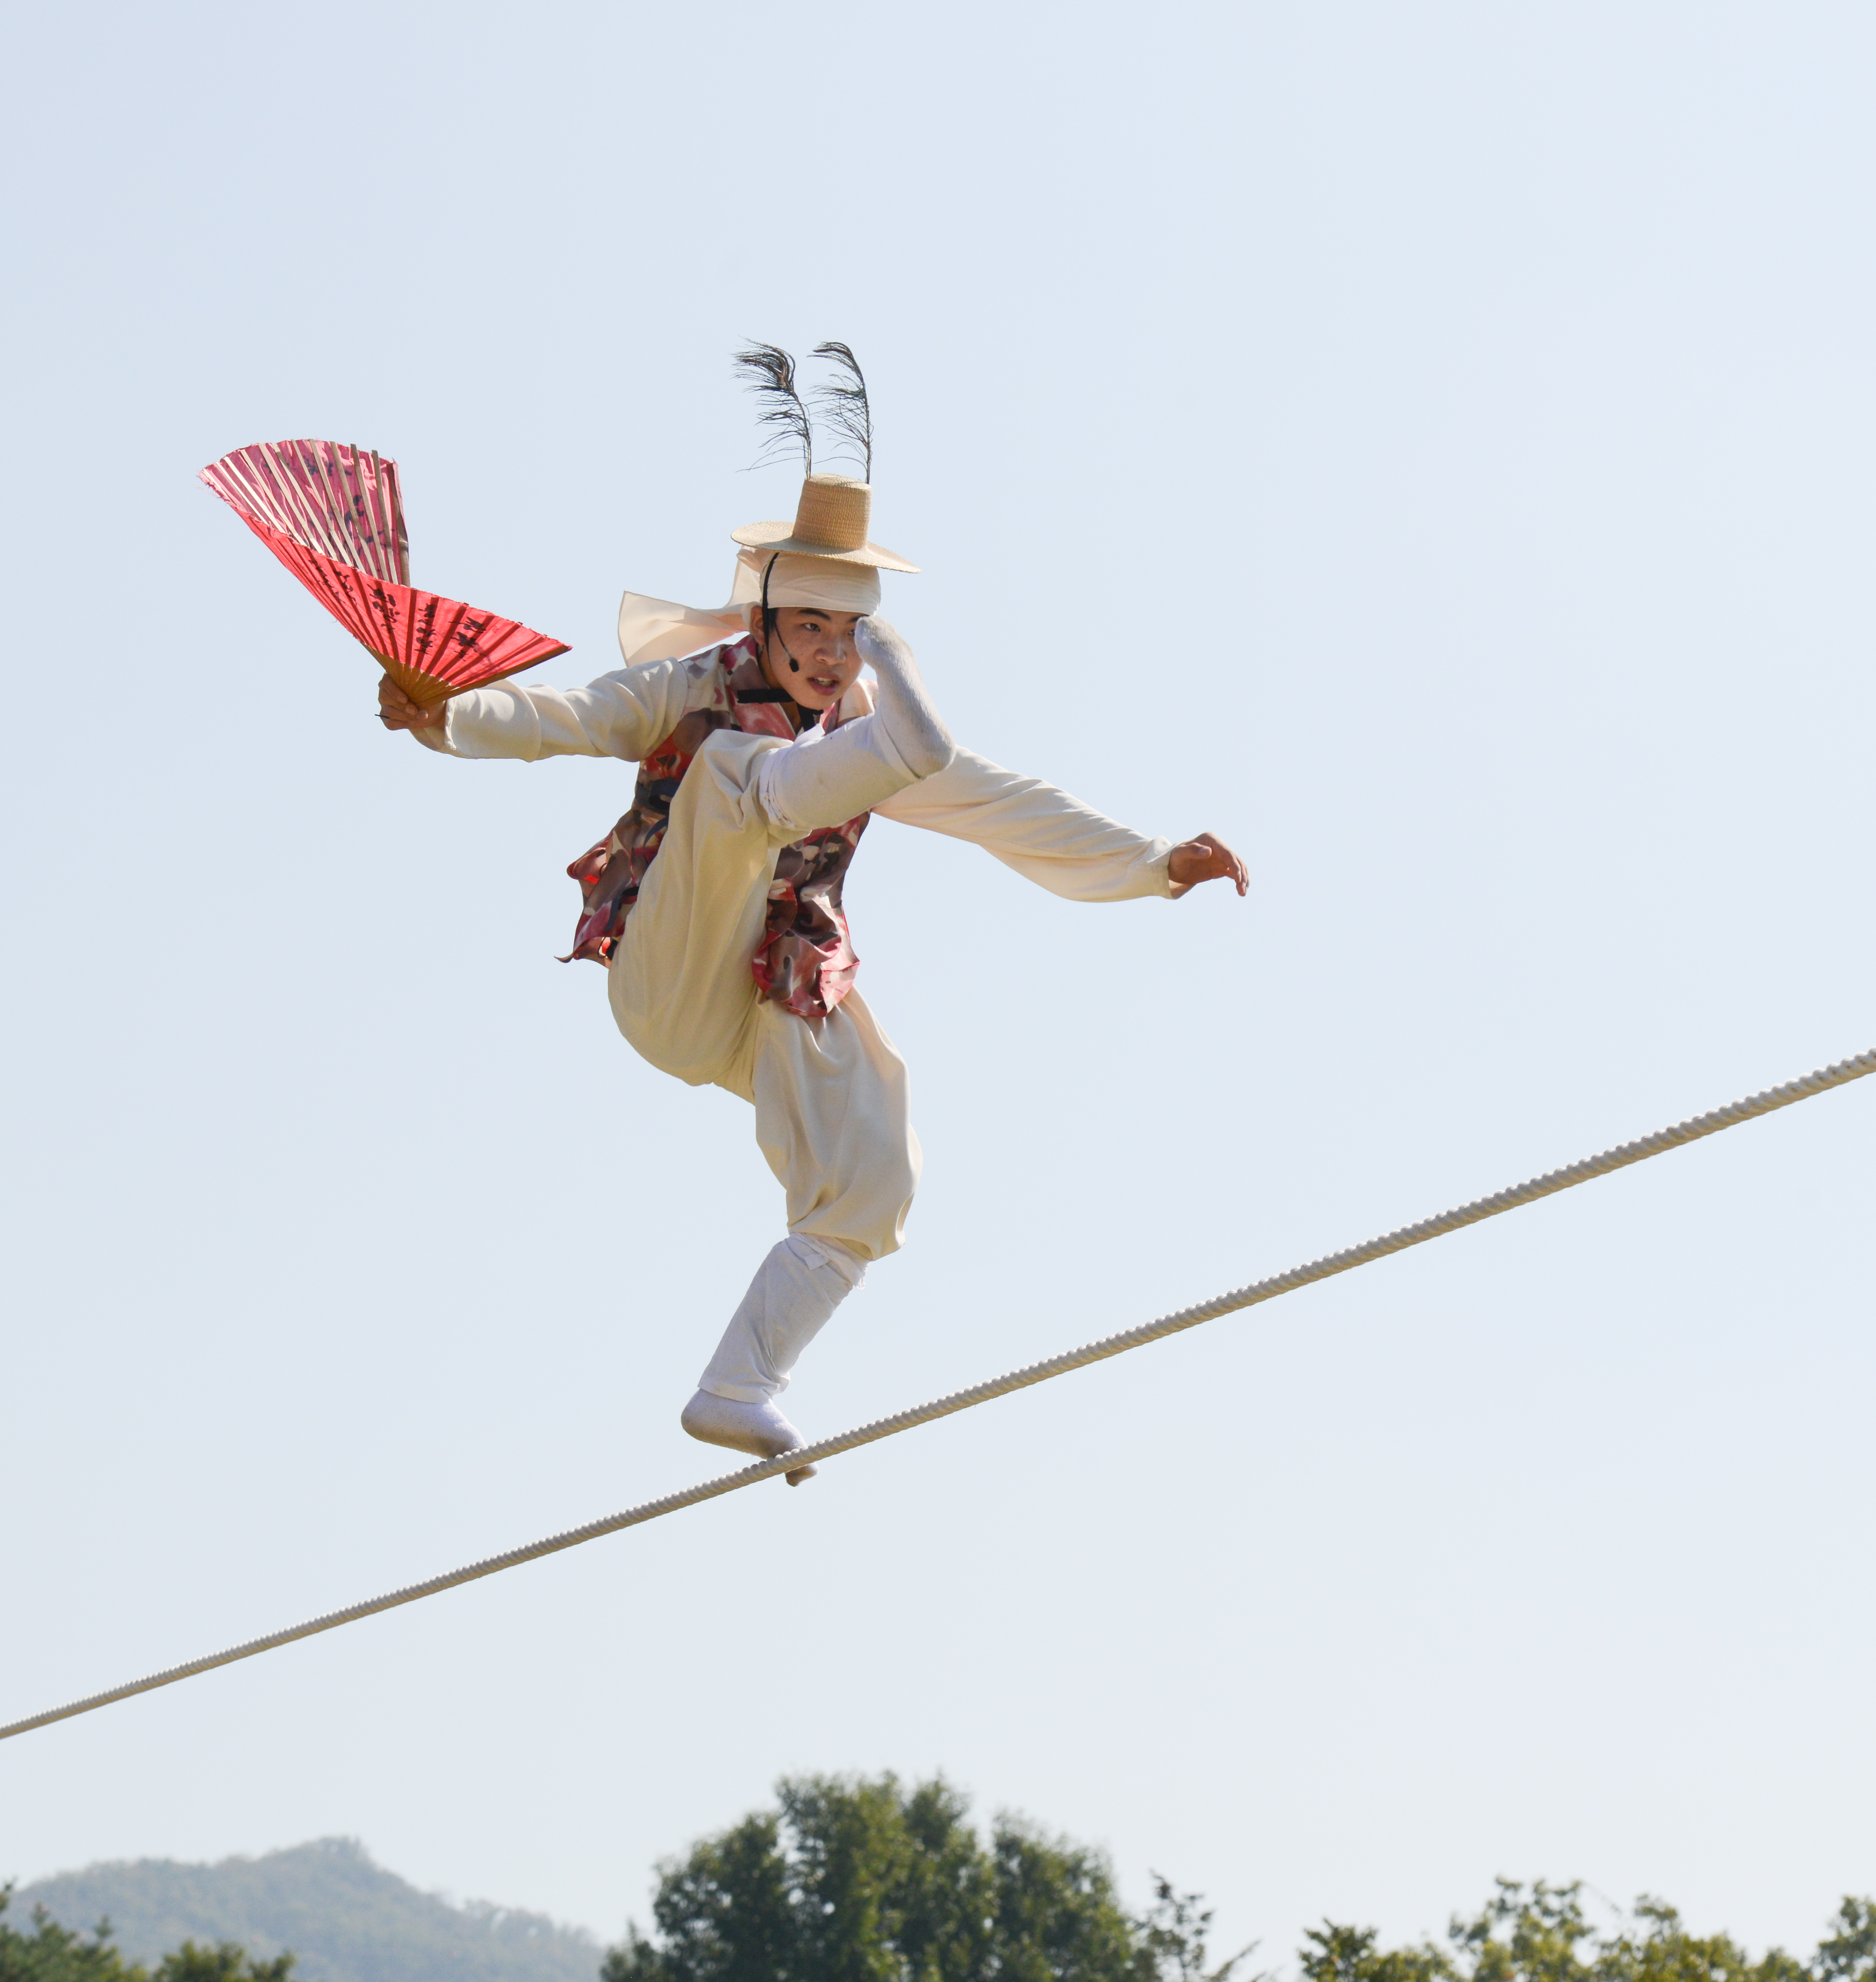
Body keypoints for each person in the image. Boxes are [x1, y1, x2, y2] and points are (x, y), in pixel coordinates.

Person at [378, 349, 1246, 1480]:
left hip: (771, 988)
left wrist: (1150, 862)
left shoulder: (870, 725)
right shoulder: (693, 689)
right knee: (740, 770)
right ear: (772, 620)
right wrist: (448, 718)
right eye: (817, 635)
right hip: (674, 969)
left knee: (882, 1164)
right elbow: (568, 715)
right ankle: (769, 783)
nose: (833, 660)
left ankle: (741, 1383)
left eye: (853, 639)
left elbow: (1000, 805)